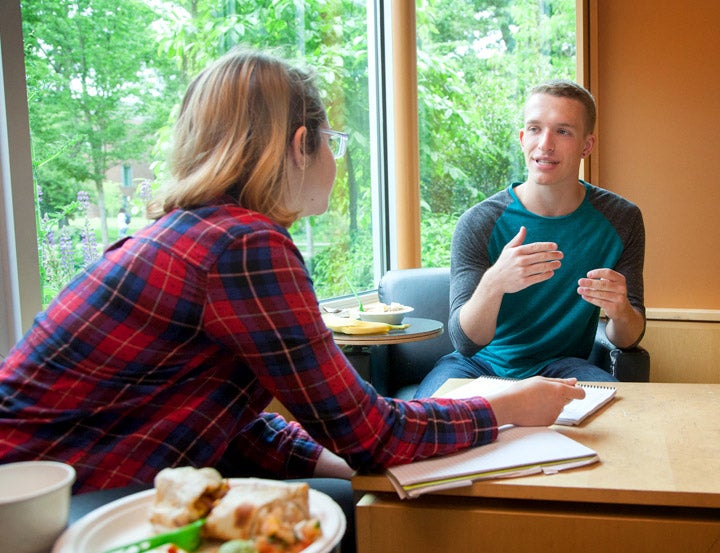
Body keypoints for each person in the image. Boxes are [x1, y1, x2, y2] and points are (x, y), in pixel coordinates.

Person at [0, 49, 585, 551]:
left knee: (355, 497)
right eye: (332, 142)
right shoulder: (246, 245)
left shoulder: (190, 231)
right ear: (303, 144)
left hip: (81, 479)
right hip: (58, 505)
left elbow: (228, 417)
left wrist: (337, 463)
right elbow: (370, 433)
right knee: (384, 525)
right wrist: (509, 407)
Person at [414, 79, 646, 399]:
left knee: (626, 416)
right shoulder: (479, 222)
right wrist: (495, 282)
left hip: (565, 366)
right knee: (427, 425)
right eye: (535, 129)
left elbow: (628, 339)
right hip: (479, 364)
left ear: (586, 145)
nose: (545, 144)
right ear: (523, 138)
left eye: (563, 131)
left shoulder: (622, 219)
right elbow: (466, 342)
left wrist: (621, 310)